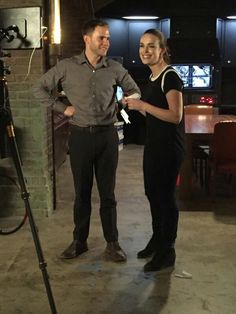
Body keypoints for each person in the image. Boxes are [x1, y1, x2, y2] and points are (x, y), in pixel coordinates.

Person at [32, 19, 141, 262]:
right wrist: (62, 107)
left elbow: (135, 91)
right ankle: (79, 241)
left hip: (107, 137)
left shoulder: (114, 68)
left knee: (108, 194)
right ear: (87, 39)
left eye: (108, 38)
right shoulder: (66, 67)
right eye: (101, 37)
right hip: (80, 136)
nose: (106, 42)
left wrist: (123, 104)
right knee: (82, 193)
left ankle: (112, 243)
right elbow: (38, 88)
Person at [125, 29, 185, 272]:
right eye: (142, 46)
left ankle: (167, 250)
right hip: (153, 146)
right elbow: (153, 113)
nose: (145, 51)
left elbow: (174, 116)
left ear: (162, 50)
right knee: (152, 194)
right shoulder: (152, 77)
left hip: (169, 149)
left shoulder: (170, 77)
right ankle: (157, 239)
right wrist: (134, 106)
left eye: (151, 46)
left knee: (165, 198)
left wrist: (143, 104)